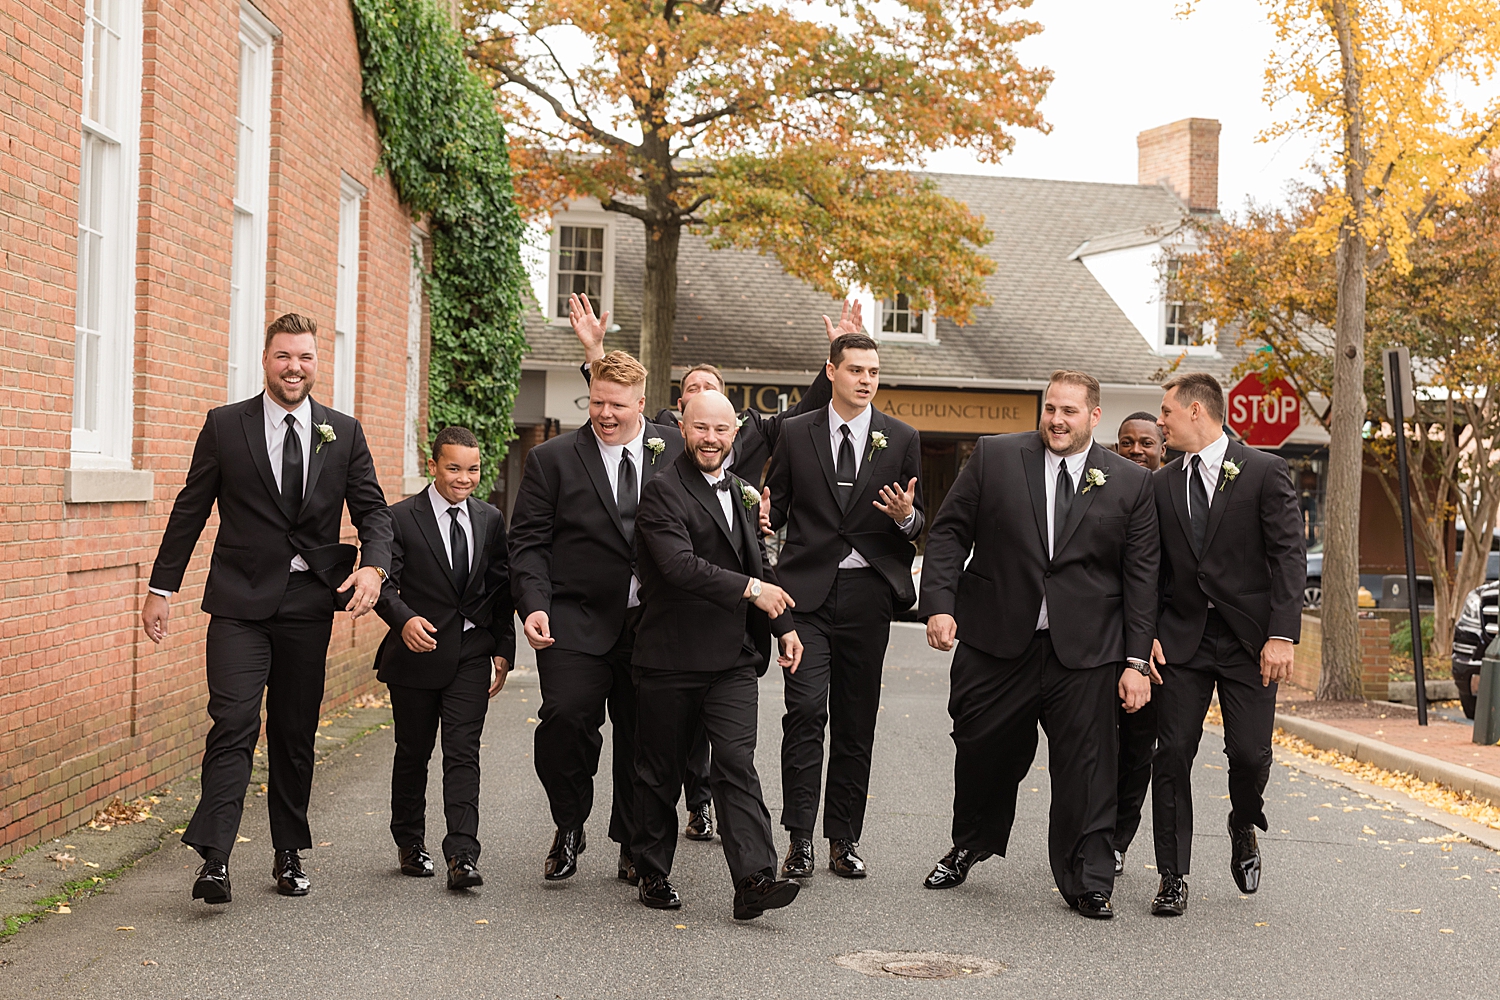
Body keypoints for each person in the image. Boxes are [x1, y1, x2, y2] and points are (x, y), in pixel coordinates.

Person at [568, 292, 853, 842]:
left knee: (727, 741)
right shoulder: (666, 450)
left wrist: (835, 353)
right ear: (679, 415)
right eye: (693, 394)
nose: (709, 423)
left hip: (728, 626)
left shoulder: (743, 456)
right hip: (667, 608)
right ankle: (656, 835)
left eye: (713, 395)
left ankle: (714, 820)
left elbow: (798, 418)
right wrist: (596, 352)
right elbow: (615, 406)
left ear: (733, 421)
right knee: (660, 741)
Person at [141, 312, 392, 904]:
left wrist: (375, 568)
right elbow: (190, 508)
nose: (294, 367)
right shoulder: (226, 426)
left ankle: (288, 852)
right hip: (237, 603)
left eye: (304, 357)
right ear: (265, 358)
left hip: (307, 605)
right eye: (284, 356)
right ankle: (215, 860)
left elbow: (375, 512)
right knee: (233, 722)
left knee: (294, 730)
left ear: (315, 362)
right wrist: (161, 588)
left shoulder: (343, 432)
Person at [918, 370, 1158, 920]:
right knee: (982, 749)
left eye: (1069, 411)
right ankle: (971, 842)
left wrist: (1136, 661)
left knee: (1088, 766)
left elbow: (1141, 577)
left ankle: (1089, 878)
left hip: (1087, 649)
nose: (1056, 419)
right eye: (1051, 408)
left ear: (1094, 417)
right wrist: (939, 603)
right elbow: (951, 531)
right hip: (998, 639)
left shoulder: (1129, 482)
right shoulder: (995, 457)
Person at [509, 350, 683, 884]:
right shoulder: (552, 459)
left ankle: (633, 840)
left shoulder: (675, 450)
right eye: (597, 402)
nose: (605, 413)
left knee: (643, 736)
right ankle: (568, 822)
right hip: (574, 617)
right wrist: (534, 604)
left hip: (652, 623)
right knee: (565, 720)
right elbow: (528, 543)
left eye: (617, 405)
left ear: (642, 403)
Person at [630, 389, 805, 920]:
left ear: (735, 434)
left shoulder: (745, 492)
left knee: (734, 761)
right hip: (671, 654)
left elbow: (761, 564)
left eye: (722, 430)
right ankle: (653, 870)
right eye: (702, 428)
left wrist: (784, 627)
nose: (712, 438)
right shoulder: (662, 492)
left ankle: (753, 879)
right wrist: (753, 590)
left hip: (731, 658)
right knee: (660, 770)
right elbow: (680, 567)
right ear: (683, 428)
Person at [763, 332, 924, 880]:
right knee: (805, 712)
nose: (865, 379)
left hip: (867, 598)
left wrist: (905, 517)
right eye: (855, 369)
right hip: (805, 597)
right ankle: (800, 839)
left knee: (856, 722)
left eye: (873, 372)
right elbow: (776, 509)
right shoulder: (794, 432)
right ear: (831, 372)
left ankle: (844, 840)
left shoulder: (901, 438)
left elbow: (916, 523)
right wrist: (765, 517)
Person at [1148, 373, 1304, 916]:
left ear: (1195, 411)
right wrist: (1145, 635)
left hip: (1249, 642)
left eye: (1166, 412)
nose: (1159, 422)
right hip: (1181, 640)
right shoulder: (1162, 483)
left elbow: (1289, 557)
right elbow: (1149, 568)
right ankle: (1172, 874)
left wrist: (1282, 634)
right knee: (1170, 754)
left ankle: (1243, 821)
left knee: (1249, 753)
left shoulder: (1264, 471)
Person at [373, 427, 515, 891]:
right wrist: (403, 620)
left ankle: (462, 854)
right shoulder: (399, 518)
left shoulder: (491, 519)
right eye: (454, 468)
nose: (464, 478)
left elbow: (500, 589)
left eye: (472, 469)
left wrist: (502, 648)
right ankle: (410, 841)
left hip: (471, 655)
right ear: (433, 465)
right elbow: (383, 584)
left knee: (462, 753)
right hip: (417, 653)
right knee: (413, 752)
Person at [1110, 412, 1168, 876]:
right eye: (1126, 442)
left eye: (1145, 442)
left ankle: (1117, 839)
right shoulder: (1107, 490)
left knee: (1135, 748)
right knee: (1093, 746)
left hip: (1161, 649)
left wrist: (1154, 636)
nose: (1135, 450)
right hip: (1105, 638)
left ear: (1162, 448)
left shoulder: (1173, 496)